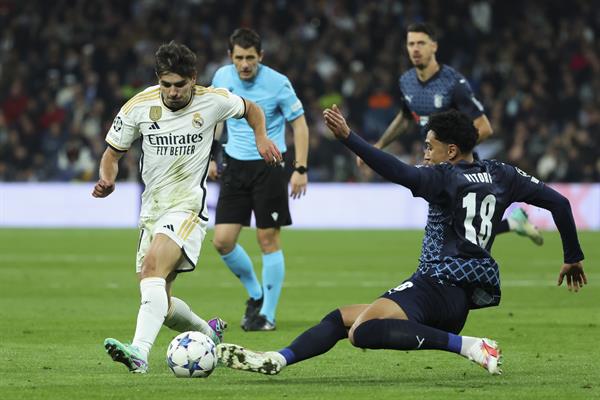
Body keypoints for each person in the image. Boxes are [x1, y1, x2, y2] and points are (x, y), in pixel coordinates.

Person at [216, 107, 586, 376]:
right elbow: (559, 202)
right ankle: (278, 360)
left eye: (430, 146)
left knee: (363, 331)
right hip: (458, 296)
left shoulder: (444, 177)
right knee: (343, 317)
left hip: (436, 284)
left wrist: (349, 138)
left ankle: (471, 346)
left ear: (451, 151)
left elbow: (398, 171)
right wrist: (572, 256)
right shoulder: (503, 173)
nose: (425, 152)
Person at [92, 41, 282, 373]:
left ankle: (138, 353)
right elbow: (111, 154)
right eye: (167, 84)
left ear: (193, 79)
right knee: (159, 305)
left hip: (187, 208)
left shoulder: (213, 101)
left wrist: (261, 138)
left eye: (180, 84)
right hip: (151, 210)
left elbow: (252, 109)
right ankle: (210, 333)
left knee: (153, 267)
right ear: (158, 80)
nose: (174, 92)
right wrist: (108, 179)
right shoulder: (139, 106)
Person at [358, 22, 543, 246]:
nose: (415, 49)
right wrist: (379, 145)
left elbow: (484, 128)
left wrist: (453, 154)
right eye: (411, 44)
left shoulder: (452, 83)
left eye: (421, 43)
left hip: (461, 167)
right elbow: (406, 117)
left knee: (456, 230)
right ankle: (514, 223)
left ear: (433, 46)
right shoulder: (406, 82)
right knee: (459, 228)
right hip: (435, 165)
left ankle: (442, 272)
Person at [209, 28, 309, 331]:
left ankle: (268, 313)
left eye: (250, 58)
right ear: (231, 57)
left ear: (260, 57)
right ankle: (255, 294)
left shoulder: (278, 83)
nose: (244, 64)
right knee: (222, 241)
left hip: (269, 167)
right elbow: (215, 118)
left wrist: (300, 169)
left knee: (268, 240)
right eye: (239, 58)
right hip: (234, 167)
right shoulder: (221, 77)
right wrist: (211, 155)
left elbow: (300, 125)